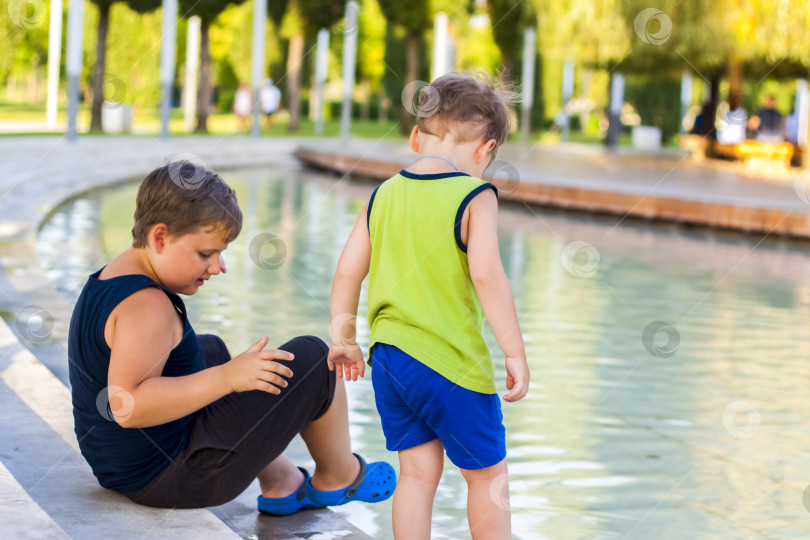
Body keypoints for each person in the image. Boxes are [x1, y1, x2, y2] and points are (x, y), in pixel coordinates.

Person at [68, 162, 395, 513]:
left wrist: (226, 372)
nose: (218, 267)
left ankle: (282, 480)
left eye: (220, 254)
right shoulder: (148, 306)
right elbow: (126, 405)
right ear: (160, 238)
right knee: (315, 358)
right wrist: (227, 378)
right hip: (176, 478)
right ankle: (338, 476)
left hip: (120, 466)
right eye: (206, 254)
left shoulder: (112, 276)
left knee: (208, 349)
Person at [328, 72, 530, 539]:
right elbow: (487, 275)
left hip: (390, 362)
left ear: (417, 136)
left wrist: (343, 340)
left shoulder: (382, 195)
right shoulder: (475, 195)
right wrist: (514, 351)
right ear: (485, 150)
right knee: (488, 477)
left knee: (417, 475)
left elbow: (346, 272)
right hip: (451, 364)